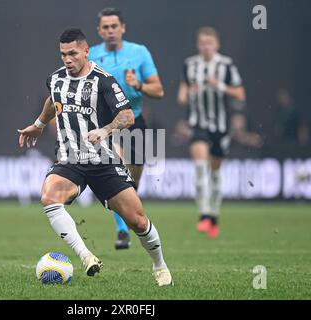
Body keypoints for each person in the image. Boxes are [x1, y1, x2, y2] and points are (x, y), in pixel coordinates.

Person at [18, 28, 172, 286]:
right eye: (63, 54)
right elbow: (53, 100)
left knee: (138, 220)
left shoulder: (104, 80)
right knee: (49, 196)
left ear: (86, 51)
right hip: (70, 160)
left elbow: (127, 116)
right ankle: (86, 255)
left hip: (104, 161)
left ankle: (160, 265)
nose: (67, 59)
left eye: (73, 54)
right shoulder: (55, 79)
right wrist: (39, 124)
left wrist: (105, 130)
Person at [89, 7, 164, 249]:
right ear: (99, 30)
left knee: (131, 183)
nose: (110, 31)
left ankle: (129, 219)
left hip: (135, 122)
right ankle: (122, 231)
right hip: (108, 125)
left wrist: (139, 85)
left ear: (123, 28)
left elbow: (159, 91)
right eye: (106, 27)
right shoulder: (91, 56)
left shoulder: (139, 52)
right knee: (117, 170)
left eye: (114, 26)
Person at [177, 27, 245, 238]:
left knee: (215, 172)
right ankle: (204, 214)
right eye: (202, 43)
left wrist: (220, 86)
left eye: (209, 43)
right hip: (198, 125)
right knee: (199, 167)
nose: (206, 46)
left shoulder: (226, 65)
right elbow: (181, 97)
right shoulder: (190, 65)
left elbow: (240, 95)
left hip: (220, 127)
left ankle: (213, 215)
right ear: (198, 45)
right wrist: (189, 93)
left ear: (217, 45)